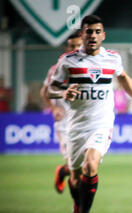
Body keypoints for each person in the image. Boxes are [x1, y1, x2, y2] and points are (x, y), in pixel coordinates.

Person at [48, 15, 132, 213]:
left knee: (90, 165)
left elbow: (123, 78)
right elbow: (52, 88)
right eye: (88, 31)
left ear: (103, 35)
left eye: (97, 31)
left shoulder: (112, 59)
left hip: (101, 123)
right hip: (75, 126)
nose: (92, 35)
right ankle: (78, 208)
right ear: (82, 34)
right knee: (75, 178)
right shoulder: (68, 61)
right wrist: (62, 93)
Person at [41, 32, 83, 194]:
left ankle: (62, 171)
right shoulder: (56, 69)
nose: (75, 49)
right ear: (67, 47)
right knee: (75, 166)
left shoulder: (90, 66)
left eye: (78, 45)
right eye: (72, 46)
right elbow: (44, 92)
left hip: (84, 121)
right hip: (65, 123)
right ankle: (78, 209)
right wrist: (54, 108)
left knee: (85, 165)